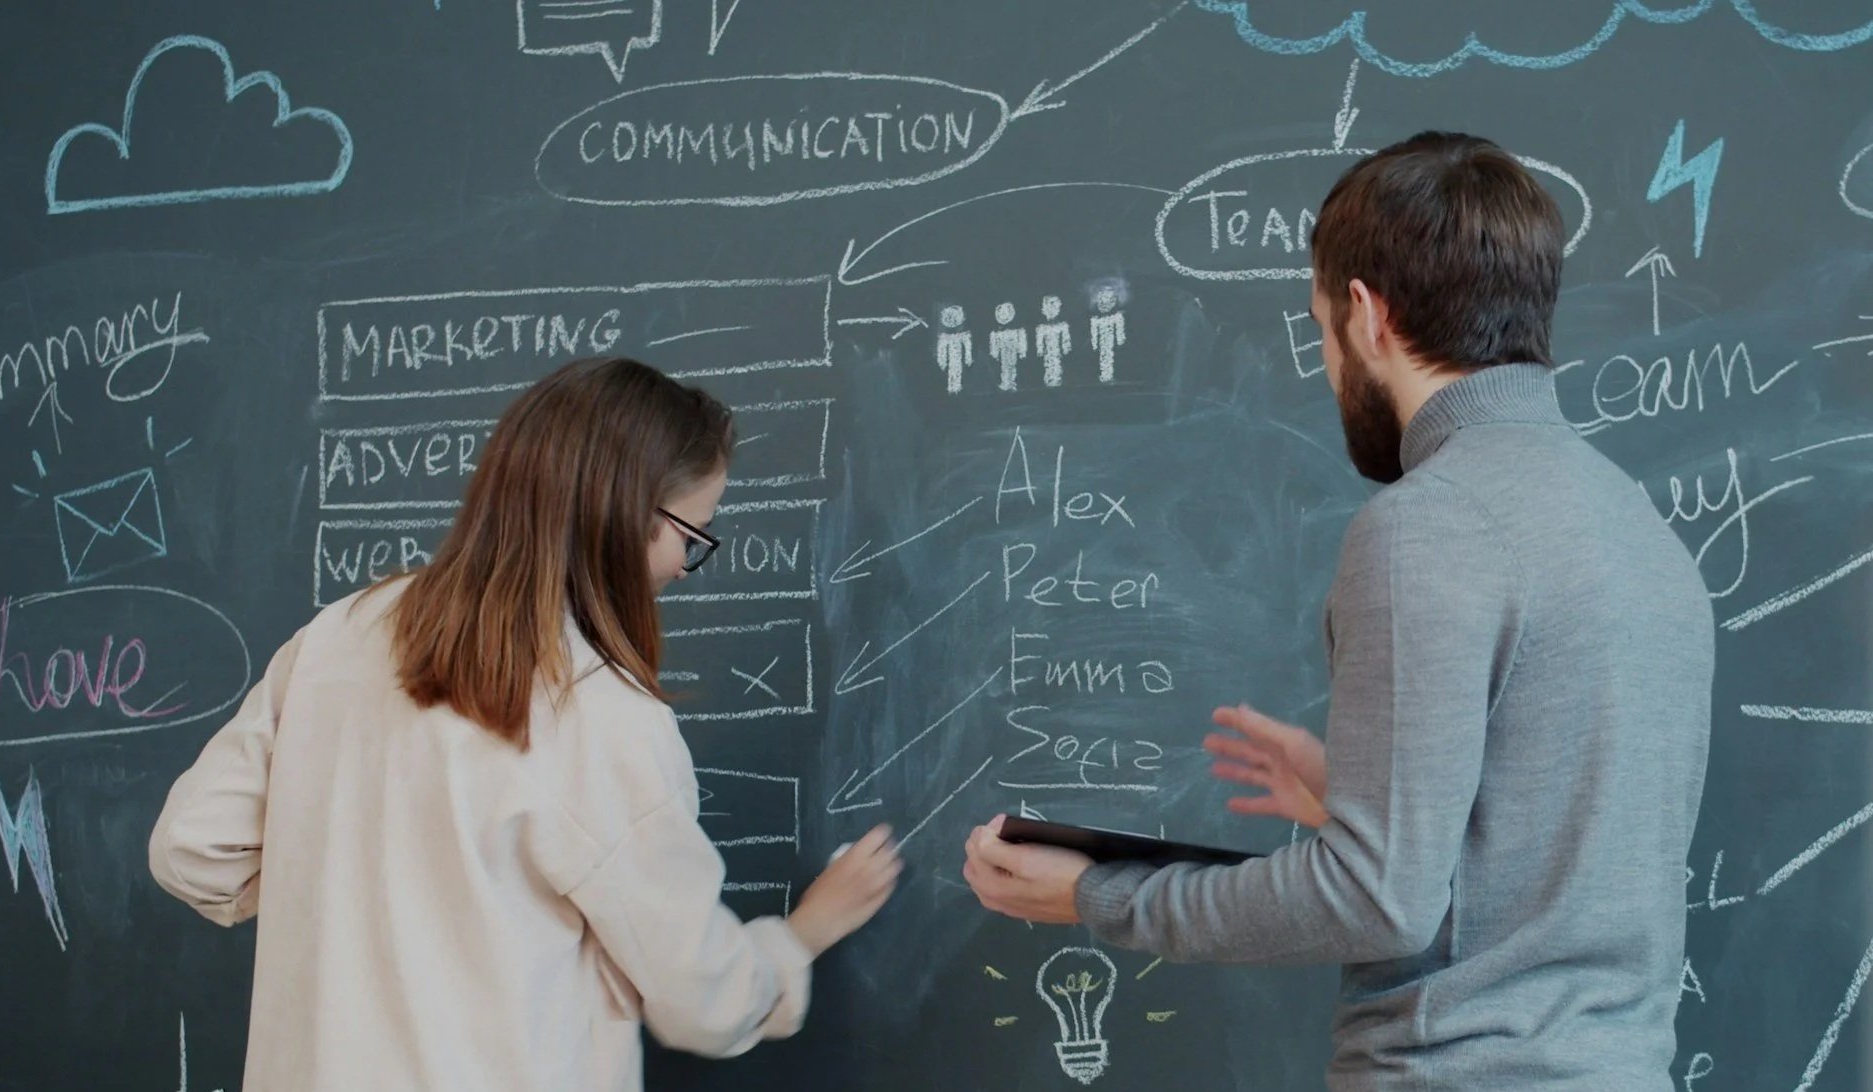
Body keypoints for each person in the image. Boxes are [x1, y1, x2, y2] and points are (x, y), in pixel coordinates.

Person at [963, 131, 1715, 1091]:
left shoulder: (1426, 527)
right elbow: (1544, 850)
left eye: (1320, 329)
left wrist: (1102, 895)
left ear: (1367, 316)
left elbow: (1377, 899)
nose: (1326, 367)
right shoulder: (1637, 523)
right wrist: (1355, 788)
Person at [150, 357, 901, 1091]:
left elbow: (193, 850)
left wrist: (346, 884)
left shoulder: (340, 634)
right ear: (628, 514)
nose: (682, 566)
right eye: (692, 537)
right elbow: (702, 999)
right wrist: (803, 935)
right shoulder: (599, 712)